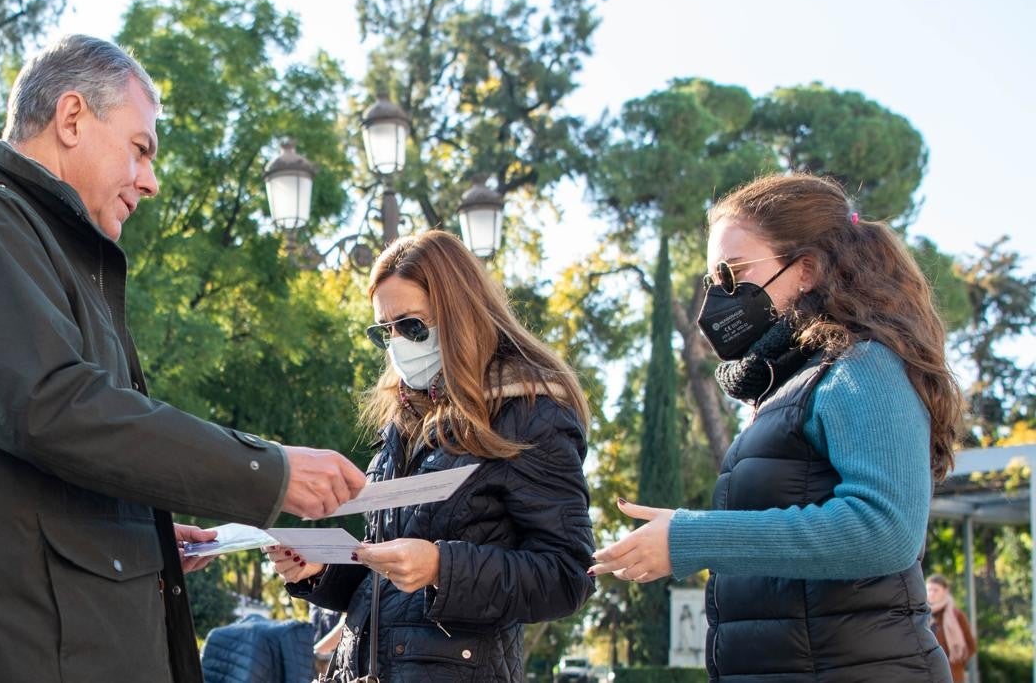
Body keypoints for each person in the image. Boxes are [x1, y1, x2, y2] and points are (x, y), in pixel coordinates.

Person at [0, 34, 366, 683]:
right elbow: (52, 410)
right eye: (140, 149)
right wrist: (267, 469)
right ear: (73, 117)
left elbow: (65, 457)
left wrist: (148, 534)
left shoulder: (38, 246)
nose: (152, 180)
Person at [590, 173, 961, 682]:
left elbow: (887, 531)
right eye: (713, 280)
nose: (720, 294)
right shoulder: (790, 385)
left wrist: (693, 538)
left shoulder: (863, 366)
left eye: (733, 271)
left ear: (806, 268)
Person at [264, 230, 596, 682]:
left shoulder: (529, 411)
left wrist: (443, 566)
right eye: (385, 331)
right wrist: (321, 571)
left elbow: (568, 575)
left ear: (460, 314)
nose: (398, 342)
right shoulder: (405, 418)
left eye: (412, 325)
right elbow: (389, 587)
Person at [926, 574, 977, 682]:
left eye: (936, 590)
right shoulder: (920, 615)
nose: (931, 593)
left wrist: (956, 663)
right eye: (929, 589)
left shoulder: (956, 615)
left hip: (952, 675)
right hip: (926, 675)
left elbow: (971, 645)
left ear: (945, 591)